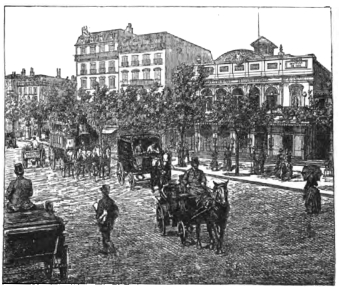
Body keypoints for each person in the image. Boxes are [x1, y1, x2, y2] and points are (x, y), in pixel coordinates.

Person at [95, 185, 119, 255]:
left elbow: (98, 212)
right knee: (106, 235)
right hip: (109, 222)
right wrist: (112, 219)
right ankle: (106, 249)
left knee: (105, 236)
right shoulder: (111, 201)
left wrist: (99, 218)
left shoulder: (101, 202)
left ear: (102, 192)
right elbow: (116, 212)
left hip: (104, 222)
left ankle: (111, 249)